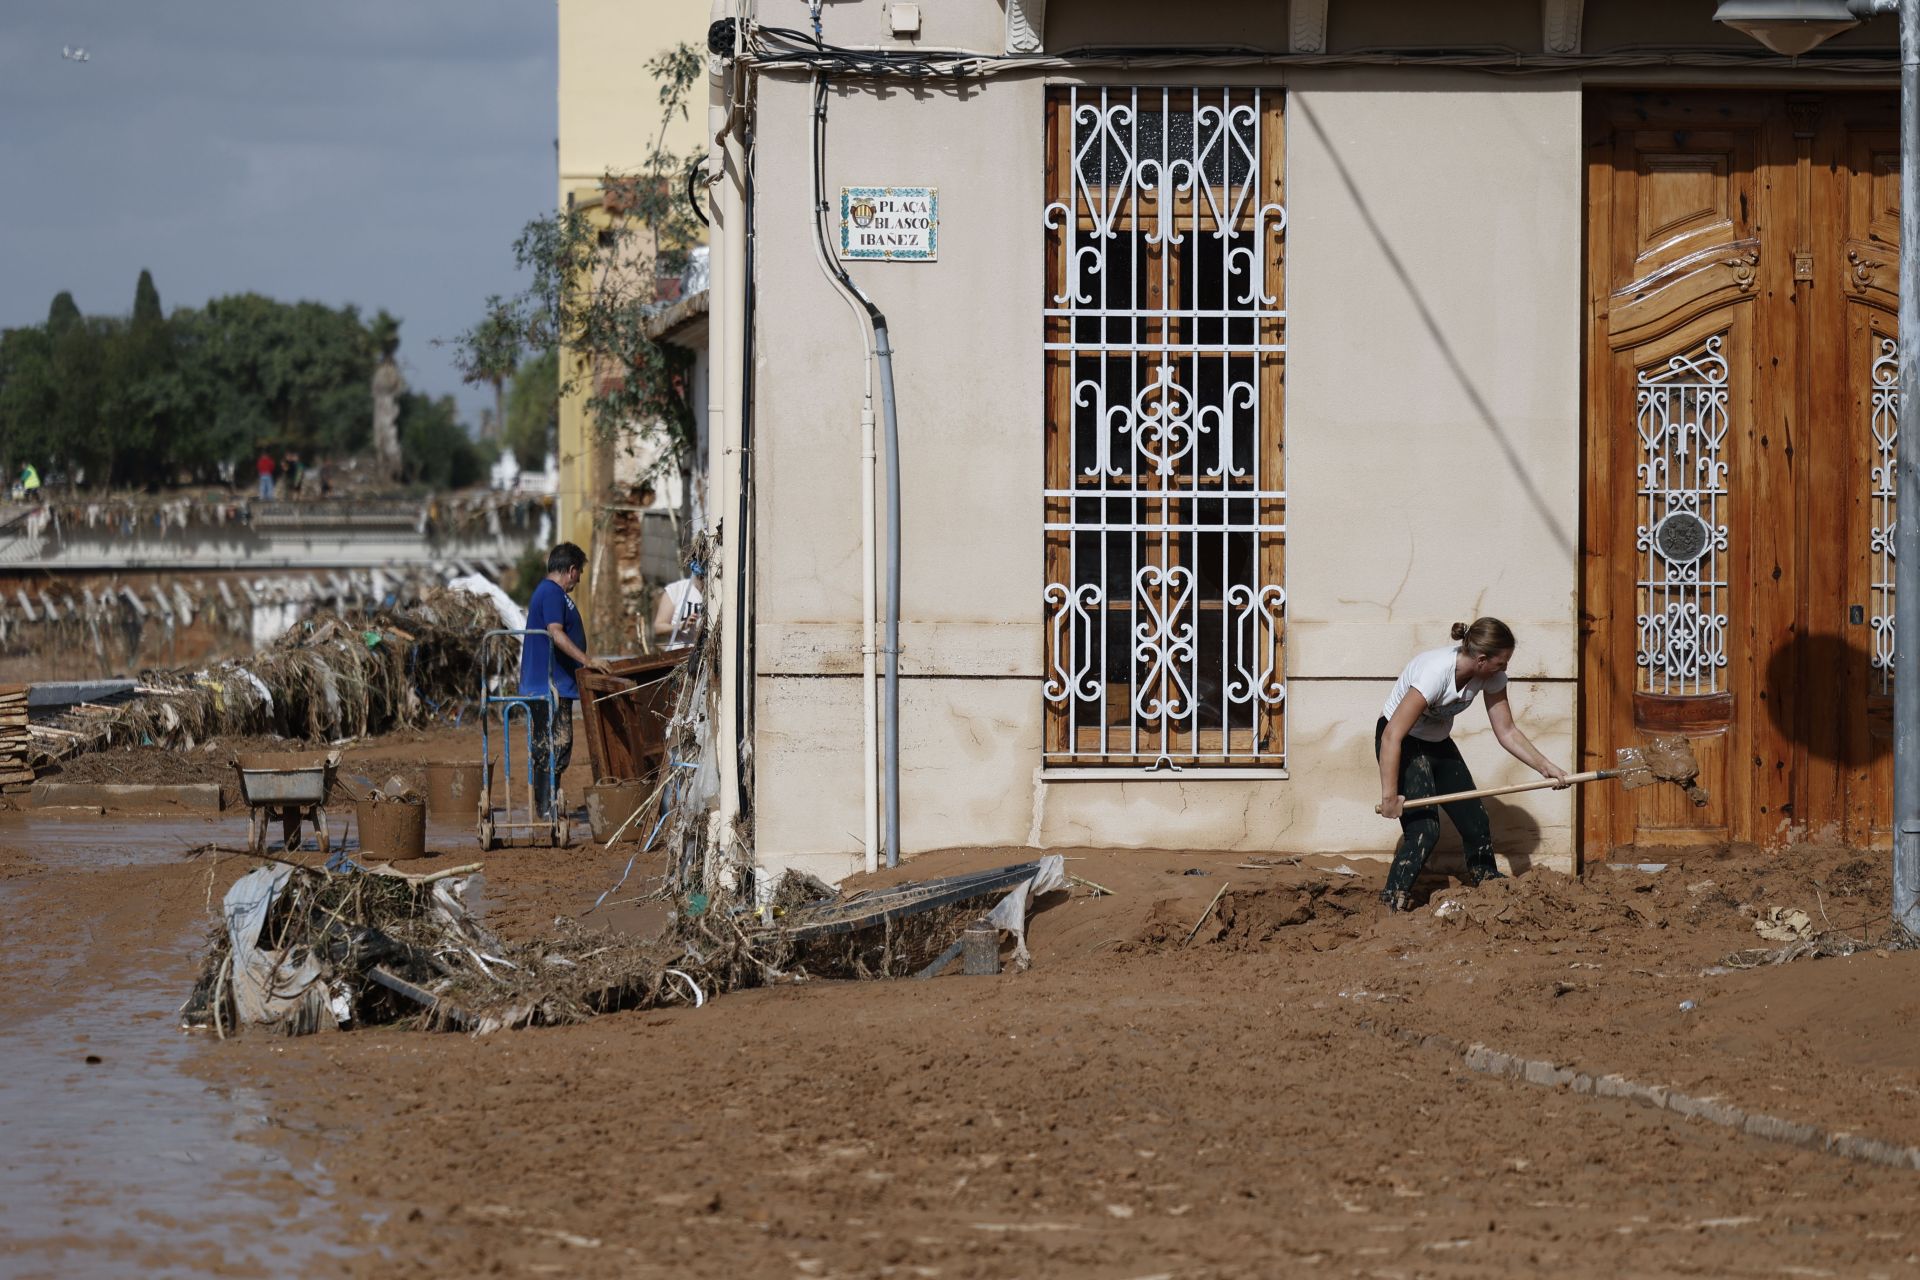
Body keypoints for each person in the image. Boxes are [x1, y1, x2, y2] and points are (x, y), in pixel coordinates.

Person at [1375, 616, 1568, 912]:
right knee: (1425, 828)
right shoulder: (1434, 672)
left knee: (1475, 820)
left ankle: (1487, 882)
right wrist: (1389, 796)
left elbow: (1507, 731)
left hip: (1437, 742)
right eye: (1501, 663)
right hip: (1403, 741)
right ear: (1481, 659)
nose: (1504, 669)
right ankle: (1392, 899)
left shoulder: (1490, 677)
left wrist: (1546, 767)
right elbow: (1391, 736)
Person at [520, 542, 595, 820]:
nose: (578, 579)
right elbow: (556, 633)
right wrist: (587, 661)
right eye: (579, 573)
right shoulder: (552, 592)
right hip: (546, 685)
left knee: (556, 745)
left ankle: (547, 805)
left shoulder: (552, 593)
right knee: (553, 744)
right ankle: (546, 807)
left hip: (554, 685)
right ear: (572, 570)